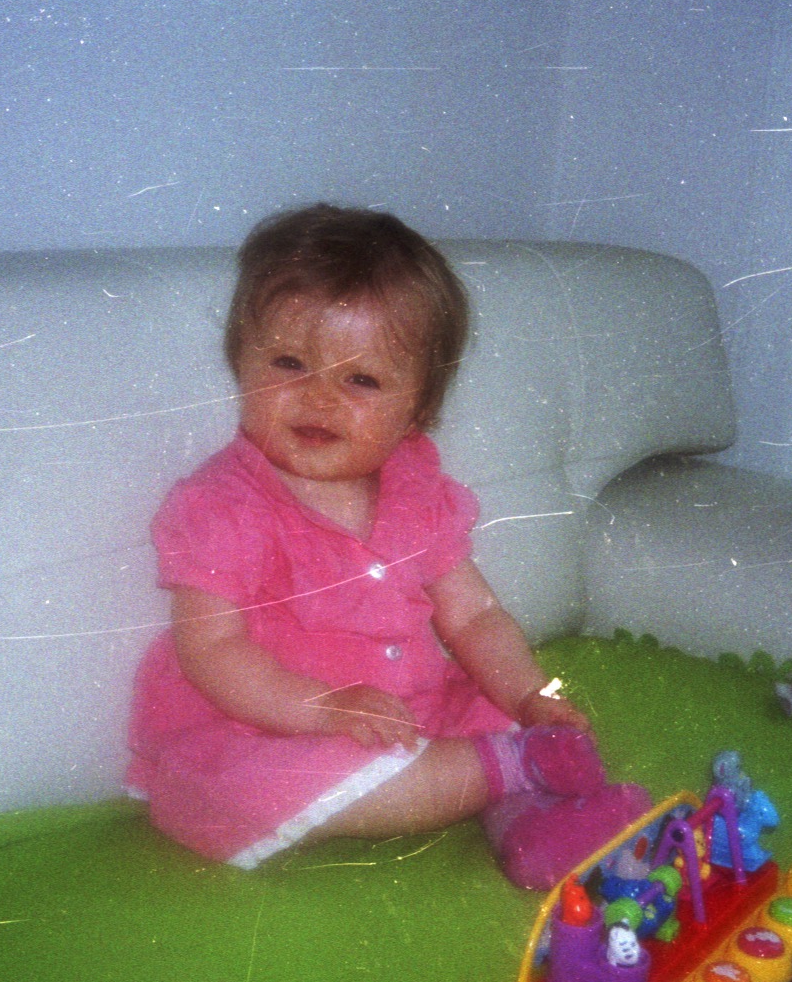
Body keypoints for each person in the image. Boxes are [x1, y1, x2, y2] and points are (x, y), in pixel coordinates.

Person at [126, 204, 648, 887]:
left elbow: (473, 617)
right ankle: (508, 768)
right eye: (289, 363)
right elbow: (212, 652)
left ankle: (529, 819)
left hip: (414, 710)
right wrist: (326, 707)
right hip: (273, 726)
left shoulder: (418, 491)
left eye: (361, 379)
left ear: (417, 410)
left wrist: (529, 697)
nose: (319, 398)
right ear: (241, 363)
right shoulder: (220, 506)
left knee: (505, 707)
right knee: (243, 787)